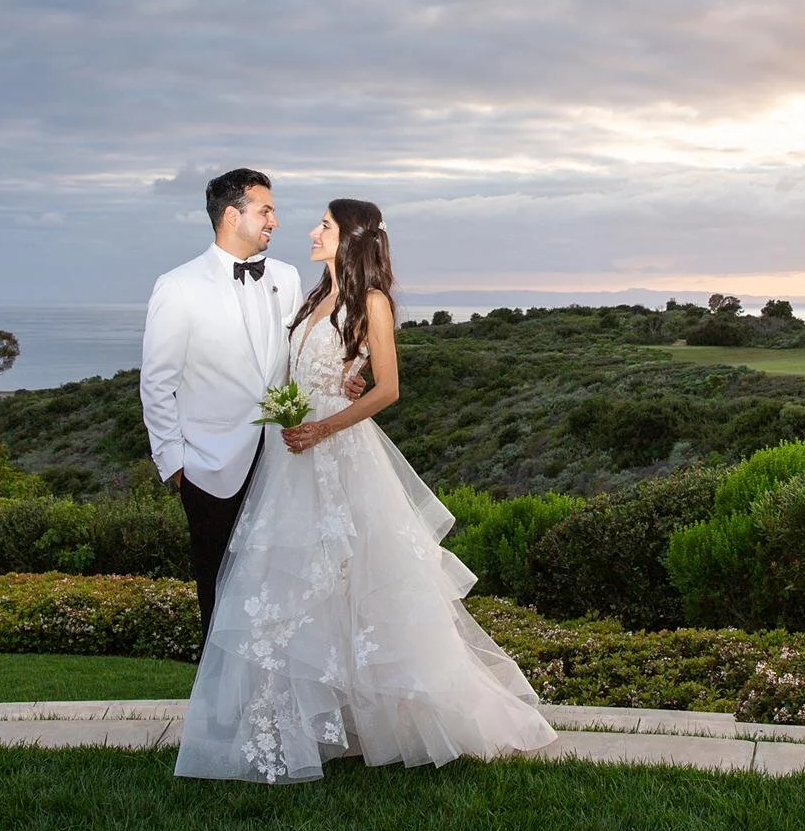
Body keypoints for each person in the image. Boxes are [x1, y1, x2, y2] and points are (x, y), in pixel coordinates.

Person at [175, 198, 558, 783]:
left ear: (350, 237)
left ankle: (394, 718)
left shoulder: (369, 301)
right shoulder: (313, 296)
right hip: (293, 454)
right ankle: (318, 723)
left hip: (339, 450)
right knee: (303, 588)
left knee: (362, 582)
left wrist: (326, 424)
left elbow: (388, 389)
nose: (311, 231)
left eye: (324, 225)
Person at [140, 168, 303, 641]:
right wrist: (174, 462)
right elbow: (157, 382)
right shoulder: (178, 286)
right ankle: (220, 704)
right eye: (265, 209)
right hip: (208, 465)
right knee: (217, 587)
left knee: (276, 583)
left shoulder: (288, 278)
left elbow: (298, 357)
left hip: (279, 460)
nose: (275, 219)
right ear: (233, 215)